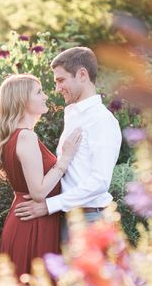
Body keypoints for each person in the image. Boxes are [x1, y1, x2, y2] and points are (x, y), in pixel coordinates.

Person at [14, 47, 122, 234]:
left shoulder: (101, 120)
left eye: (61, 80)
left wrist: (49, 205)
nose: (57, 88)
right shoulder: (74, 115)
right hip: (70, 220)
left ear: (82, 75)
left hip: (91, 223)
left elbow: (99, 181)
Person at [0, 74, 81, 278]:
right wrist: (66, 158)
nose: (46, 96)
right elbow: (38, 192)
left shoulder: (15, 137)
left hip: (27, 218)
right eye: (39, 92)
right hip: (33, 223)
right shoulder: (26, 137)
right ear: (22, 100)